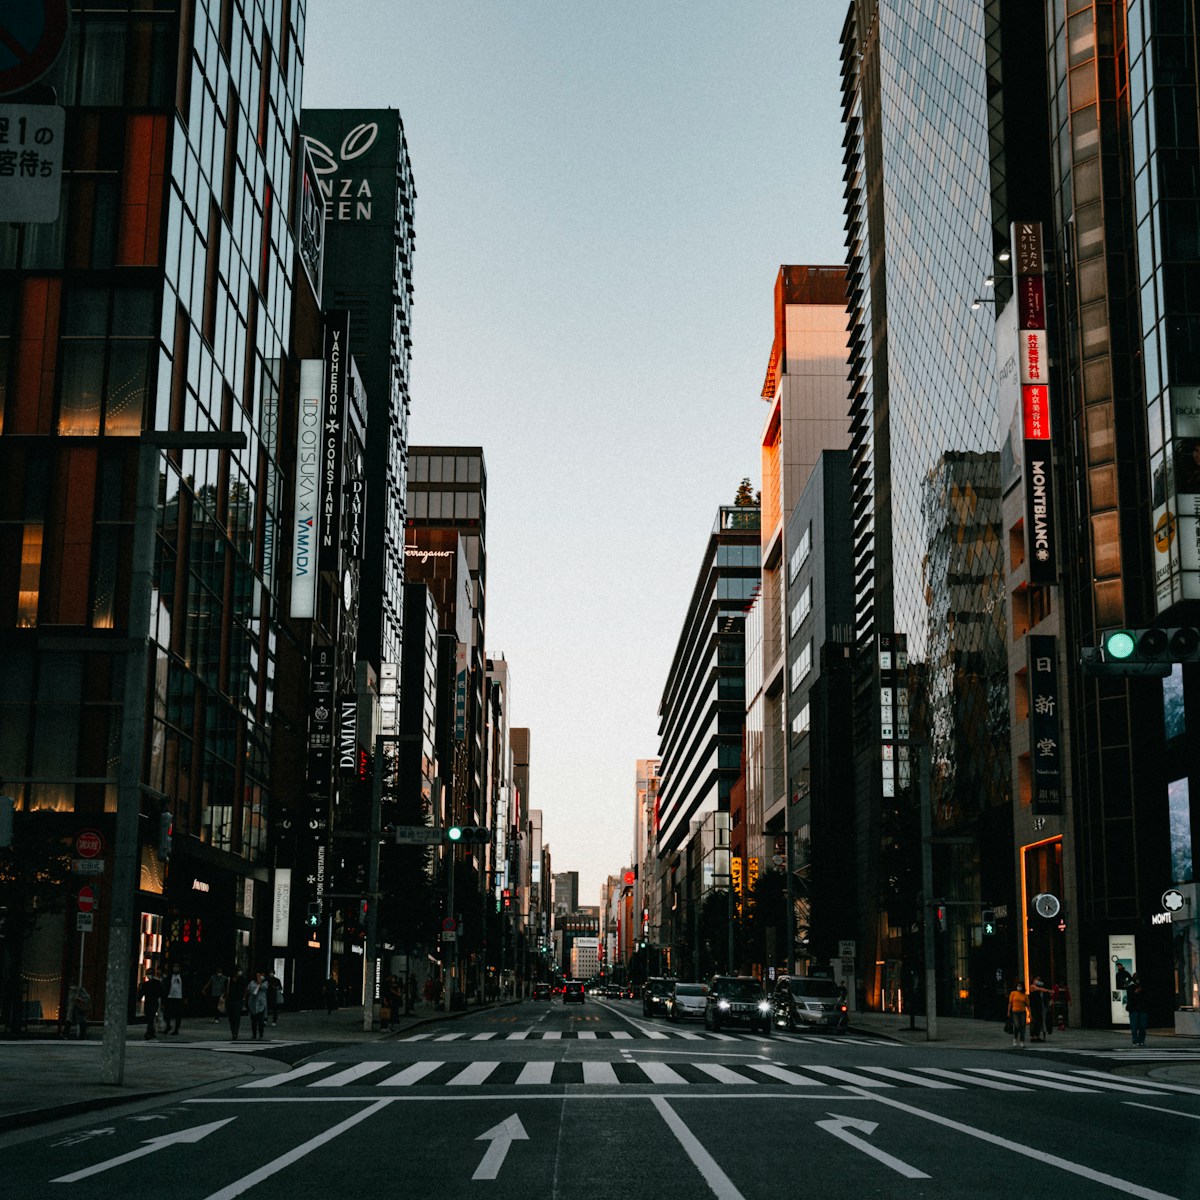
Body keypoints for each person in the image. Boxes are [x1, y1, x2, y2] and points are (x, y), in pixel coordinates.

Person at [138, 968, 164, 1040]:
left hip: (151, 1002)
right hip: (151, 1002)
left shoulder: (150, 984)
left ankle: (149, 1032)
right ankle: (151, 1032)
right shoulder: (153, 984)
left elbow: (141, 993)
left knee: (150, 1018)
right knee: (150, 1018)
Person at [1125, 973, 1149, 1047]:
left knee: (1142, 1026)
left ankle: (1140, 1040)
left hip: (1140, 1009)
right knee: (1135, 1026)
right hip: (1135, 1009)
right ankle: (1136, 1040)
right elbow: (1130, 998)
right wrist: (1135, 993)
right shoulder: (1130, 988)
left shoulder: (1142, 988)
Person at [163, 963, 185, 1035]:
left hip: (179, 997)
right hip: (170, 996)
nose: (175, 968)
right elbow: (166, 986)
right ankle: (168, 1026)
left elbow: (186, 987)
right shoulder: (170, 977)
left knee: (178, 1014)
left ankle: (176, 1028)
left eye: (177, 967)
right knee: (168, 1013)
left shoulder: (182, 977)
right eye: (174, 967)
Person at [225, 967, 246, 1040]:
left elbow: (245, 990)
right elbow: (225, 990)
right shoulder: (228, 980)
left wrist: (244, 999)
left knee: (236, 1017)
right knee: (231, 1017)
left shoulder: (242, 980)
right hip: (230, 1000)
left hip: (238, 1000)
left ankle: (235, 1033)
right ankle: (233, 1031)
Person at [1007, 980, 1029, 1048]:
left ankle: (1022, 1041)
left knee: (1023, 1027)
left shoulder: (1025, 995)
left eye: (1020, 986)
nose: (1019, 987)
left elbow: (1027, 1005)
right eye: (1018, 986)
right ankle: (1015, 1038)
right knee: (1017, 1026)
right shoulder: (1013, 993)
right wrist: (1008, 1012)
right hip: (1015, 1012)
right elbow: (1010, 1003)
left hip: (1022, 1012)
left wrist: (1030, 1014)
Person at [1029, 975, 1052, 1041]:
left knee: (1038, 1020)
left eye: (1040, 980)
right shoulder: (1032, 986)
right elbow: (1039, 989)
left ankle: (1037, 1036)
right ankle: (1033, 1036)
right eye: (1037, 980)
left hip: (1038, 1006)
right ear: (1034, 980)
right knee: (1034, 1020)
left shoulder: (1037, 988)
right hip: (1034, 1006)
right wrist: (1048, 990)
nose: (1039, 981)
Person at [246, 971, 268, 1040]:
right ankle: (254, 1034)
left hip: (261, 1004)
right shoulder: (252, 983)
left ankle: (261, 1034)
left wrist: (259, 982)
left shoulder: (265, 983)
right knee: (253, 1021)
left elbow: (264, 988)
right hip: (252, 1003)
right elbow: (249, 990)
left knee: (260, 1020)